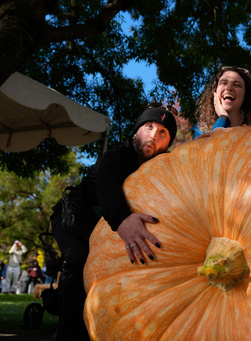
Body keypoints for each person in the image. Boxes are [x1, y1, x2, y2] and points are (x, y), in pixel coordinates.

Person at [50, 106, 177, 340]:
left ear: (168, 144)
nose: (153, 136)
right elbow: (106, 184)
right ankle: (68, 335)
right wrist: (121, 219)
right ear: (137, 131)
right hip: (72, 217)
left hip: (103, 230)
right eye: (148, 127)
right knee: (78, 260)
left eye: (163, 133)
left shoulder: (159, 170)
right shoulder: (118, 155)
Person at [191, 66, 251, 139]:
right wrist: (224, 118)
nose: (229, 88)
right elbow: (209, 152)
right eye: (224, 83)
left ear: (245, 95)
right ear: (215, 93)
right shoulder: (201, 130)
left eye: (237, 85)